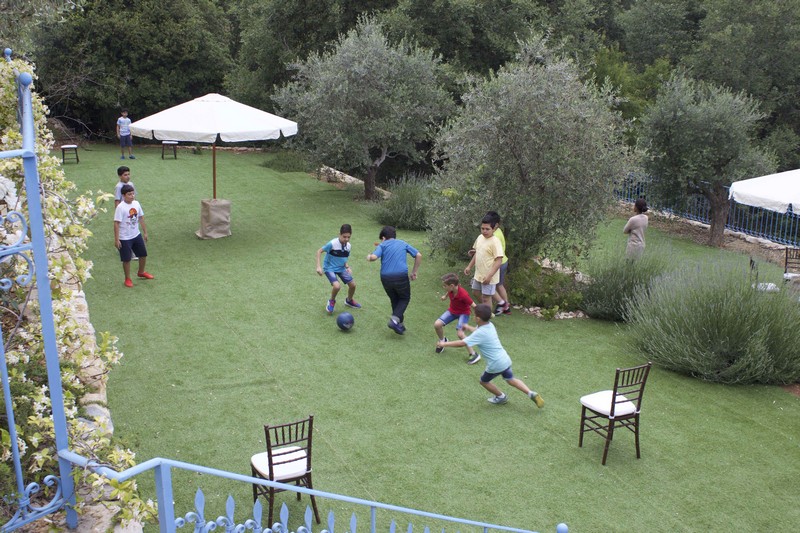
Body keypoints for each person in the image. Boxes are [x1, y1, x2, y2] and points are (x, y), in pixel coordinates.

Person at [437, 304, 544, 407]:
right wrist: (468, 327)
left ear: (478, 319)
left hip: (495, 363)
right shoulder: (490, 325)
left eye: (474, 316)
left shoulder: (480, 333)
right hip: (504, 359)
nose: (473, 317)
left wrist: (444, 343)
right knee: (511, 379)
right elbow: (478, 331)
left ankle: (501, 397)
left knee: (483, 381)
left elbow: (462, 343)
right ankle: (531, 393)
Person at [367, 226, 422, 335]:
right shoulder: (402, 243)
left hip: (385, 278)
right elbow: (418, 255)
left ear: (383, 238)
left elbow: (373, 257)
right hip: (401, 276)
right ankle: (394, 321)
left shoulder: (382, 245)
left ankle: (399, 324)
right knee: (405, 298)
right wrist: (414, 272)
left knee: (394, 299)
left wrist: (368, 256)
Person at [434, 273, 479, 364]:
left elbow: (474, 306)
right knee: (437, 324)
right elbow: (449, 291)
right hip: (452, 311)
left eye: (445, 286)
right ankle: (443, 340)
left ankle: (473, 354)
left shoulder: (464, 295)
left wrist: (479, 318)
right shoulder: (451, 289)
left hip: (463, 313)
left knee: (460, 334)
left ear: (452, 286)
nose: (444, 287)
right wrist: (445, 296)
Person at [316, 224, 361, 314]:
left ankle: (349, 300)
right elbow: (319, 251)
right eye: (344, 237)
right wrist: (318, 266)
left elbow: (344, 258)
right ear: (339, 234)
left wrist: (347, 267)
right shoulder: (332, 243)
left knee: (353, 285)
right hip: (330, 268)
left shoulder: (348, 246)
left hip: (341, 268)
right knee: (337, 286)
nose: (346, 239)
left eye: (349, 237)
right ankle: (331, 301)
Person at [114, 184, 152, 287]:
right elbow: (116, 223)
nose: (132, 196)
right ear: (123, 195)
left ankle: (141, 272)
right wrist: (117, 239)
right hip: (124, 238)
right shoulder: (120, 207)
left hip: (136, 235)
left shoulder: (136, 203)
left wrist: (145, 232)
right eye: (129, 194)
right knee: (126, 259)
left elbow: (140, 218)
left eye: (133, 193)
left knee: (143, 254)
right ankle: (127, 278)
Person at [464, 214, 504, 307]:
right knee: (475, 292)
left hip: (489, 276)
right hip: (479, 274)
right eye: (482, 228)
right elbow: (477, 253)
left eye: (487, 229)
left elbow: (499, 261)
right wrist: (469, 266)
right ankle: (486, 310)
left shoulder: (495, 241)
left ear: (494, 229)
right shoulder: (480, 238)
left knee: (486, 297)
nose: (484, 231)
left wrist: (489, 276)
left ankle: (487, 318)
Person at [486, 211, 511, 315]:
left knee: (491, 285)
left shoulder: (494, 235)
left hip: (498, 263)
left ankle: (502, 304)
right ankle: (506, 307)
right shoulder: (499, 231)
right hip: (504, 261)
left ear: (495, 224)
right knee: (499, 285)